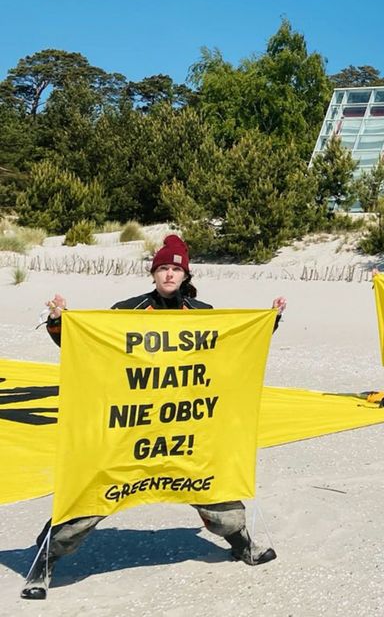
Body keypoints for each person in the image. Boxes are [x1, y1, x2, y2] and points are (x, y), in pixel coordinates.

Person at [22, 235, 287, 600]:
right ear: (153, 273)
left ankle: (242, 544)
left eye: (175, 268)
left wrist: (267, 322)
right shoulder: (128, 311)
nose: (168, 275)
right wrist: (59, 324)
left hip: (186, 428)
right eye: (163, 268)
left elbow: (234, 350)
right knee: (92, 495)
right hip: (131, 429)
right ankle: (43, 562)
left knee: (217, 497)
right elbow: (88, 347)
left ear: (185, 275)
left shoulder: (203, 314)